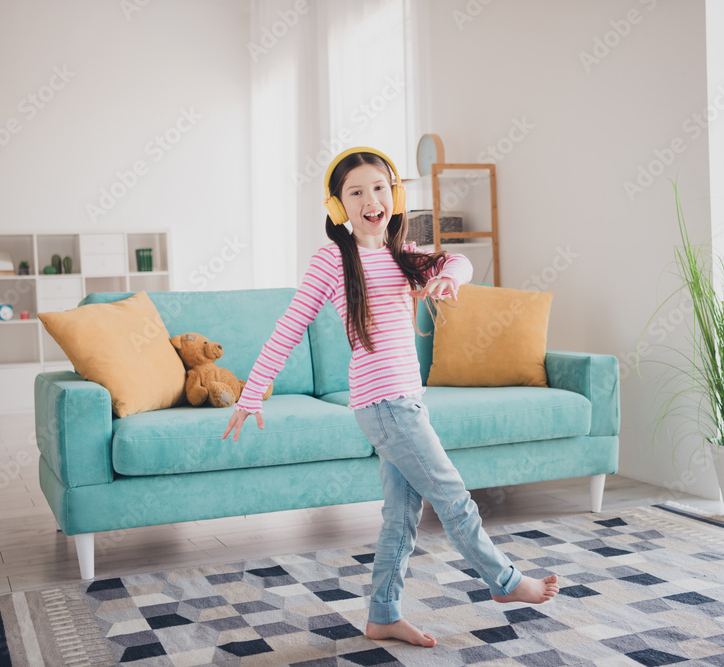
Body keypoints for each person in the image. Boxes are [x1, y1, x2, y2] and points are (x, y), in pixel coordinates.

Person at [222, 147, 558, 648]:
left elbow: (459, 261)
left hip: (405, 402)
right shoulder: (333, 260)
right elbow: (289, 327)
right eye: (355, 192)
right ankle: (507, 582)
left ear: (395, 196)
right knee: (455, 500)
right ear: (338, 207)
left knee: (401, 516)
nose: (369, 199)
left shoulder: (405, 257)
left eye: (379, 188)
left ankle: (383, 614)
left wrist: (446, 278)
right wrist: (251, 394)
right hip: (385, 405)